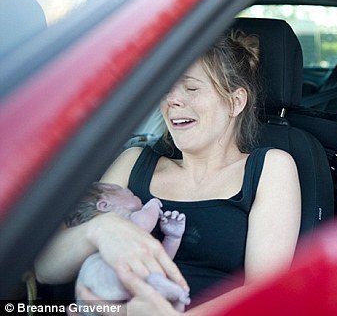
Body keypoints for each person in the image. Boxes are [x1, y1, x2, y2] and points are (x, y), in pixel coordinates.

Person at [34, 30, 302, 312]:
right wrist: (100, 230)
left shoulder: (269, 168)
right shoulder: (134, 162)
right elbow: (46, 269)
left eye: (191, 88)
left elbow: (264, 295)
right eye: (167, 88)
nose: (171, 100)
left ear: (235, 102)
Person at [67, 182, 190, 311]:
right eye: (124, 191)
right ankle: (174, 295)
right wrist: (153, 204)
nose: (129, 190)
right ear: (104, 205)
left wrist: (172, 238)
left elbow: (159, 264)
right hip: (105, 282)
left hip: (99, 296)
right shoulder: (117, 225)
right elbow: (142, 223)